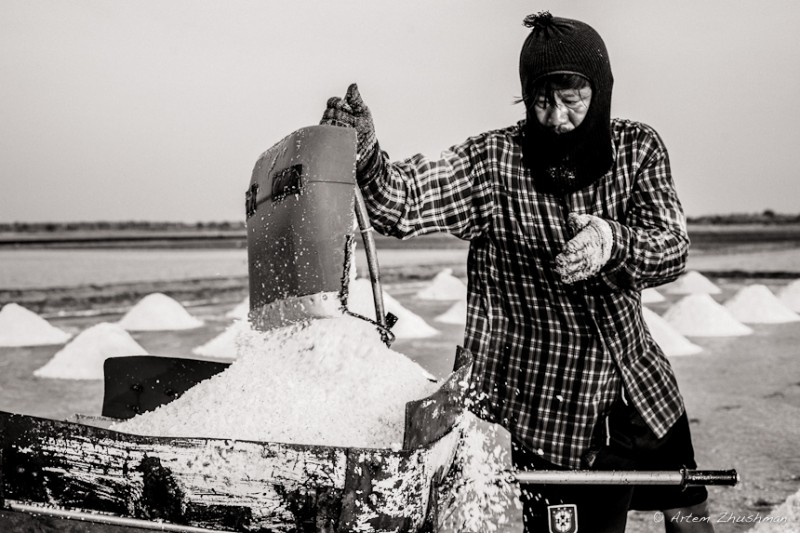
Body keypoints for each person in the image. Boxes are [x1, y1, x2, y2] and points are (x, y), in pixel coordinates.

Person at [321, 11, 713, 533]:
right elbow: (402, 202)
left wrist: (612, 241)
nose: (556, 118)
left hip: (639, 389)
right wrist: (366, 157)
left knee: (687, 505)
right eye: (541, 100)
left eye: (573, 98)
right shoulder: (495, 164)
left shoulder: (637, 150)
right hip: (554, 410)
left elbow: (671, 247)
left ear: (602, 91)